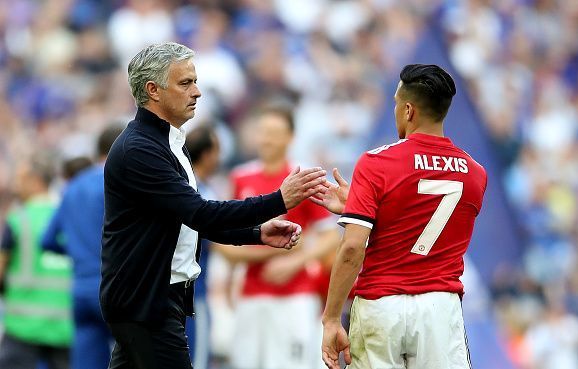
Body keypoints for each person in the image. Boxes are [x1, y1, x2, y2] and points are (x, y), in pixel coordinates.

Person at [100, 42, 327, 369]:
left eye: (194, 81)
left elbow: (197, 220)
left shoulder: (168, 143)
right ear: (153, 91)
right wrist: (279, 200)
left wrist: (256, 233)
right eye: (185, 83)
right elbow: (201, 212)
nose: (197, 92)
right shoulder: (140, 149)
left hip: (150, 299)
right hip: (146, 303)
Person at [312, 64, 488, 369]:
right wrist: (360, 205)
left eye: (395, 103)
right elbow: (425, 216)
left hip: (382, 306)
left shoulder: (376, 162)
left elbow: (353, 247)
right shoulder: (475, 173)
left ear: (408, 110)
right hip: (439, 310)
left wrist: (330, 318)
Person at [216, 103, 340, 369]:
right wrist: (280, 250)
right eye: (263, 131)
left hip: (295, 295)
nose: (267, 139)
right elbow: (221, 239)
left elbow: (332, 236)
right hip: (250, 294)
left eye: (274, 132)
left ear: (290, 137)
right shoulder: (240, 177)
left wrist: (296, 261)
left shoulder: (302, 177)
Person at [42, 124, 124, 369]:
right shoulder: (118, 183)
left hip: (80, 291)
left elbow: (47, 240)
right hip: (114, 289)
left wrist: (79, 255)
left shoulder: (73, 187)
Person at [0, 154, 73, 369]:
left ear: (35, 180)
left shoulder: (18, 219)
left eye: (21, 179)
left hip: (23, 327)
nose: (17, 186)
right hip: (64, 327)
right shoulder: (67, 216)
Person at [184, 124, 221, 368]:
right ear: (207, 154)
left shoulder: (178, 184)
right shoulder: (202, 193)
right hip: (194, 296)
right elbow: (223, 244)